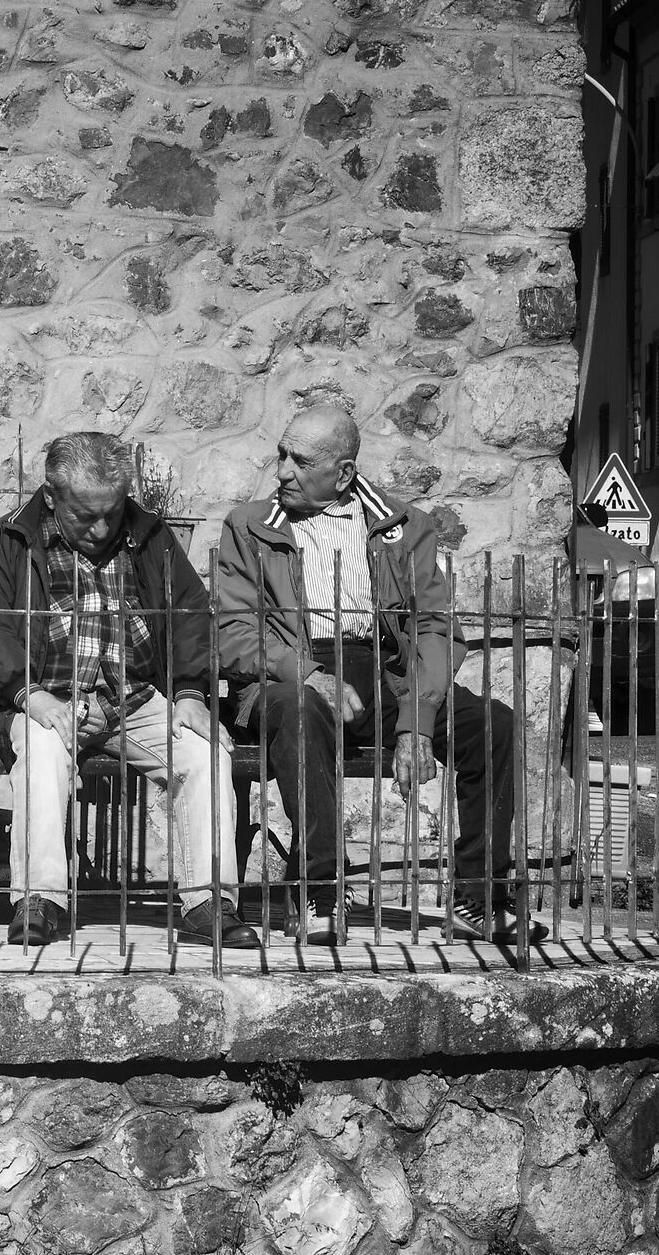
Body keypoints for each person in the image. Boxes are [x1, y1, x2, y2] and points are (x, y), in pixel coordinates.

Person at [211, 403, 540, 946]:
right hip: (286, 678)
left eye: (300, 459)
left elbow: (434, 628)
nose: (283, 471)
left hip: (387, 677)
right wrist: (309, 674)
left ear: (342, 473)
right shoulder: (249, 527)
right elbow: (234, 631)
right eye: (282, 454)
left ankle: (480, 895)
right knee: (298, 709)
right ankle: (318, 887)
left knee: (492, 724)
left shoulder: (402, 526)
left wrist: (417, 718)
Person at [0, 433, 258, 950]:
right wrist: (28, 694)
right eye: (85, 516)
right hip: (42, 698)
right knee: (41, 749)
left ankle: (208, 901)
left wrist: (190, 693)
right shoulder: (6, 541)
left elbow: (189, 615)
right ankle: (41, 899)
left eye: (112, 512)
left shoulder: (151, 537)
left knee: (206, 753)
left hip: (135, 701)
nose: (101, 529)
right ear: (51, 496)